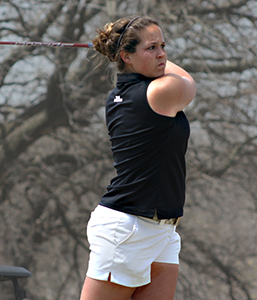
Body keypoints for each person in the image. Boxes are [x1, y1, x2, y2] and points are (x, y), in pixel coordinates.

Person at [80, 16, 196, 300]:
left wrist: (135, 52)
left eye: (164, 46)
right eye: (152, 48)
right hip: (128, 227)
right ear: (125, 56)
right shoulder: (158, 92)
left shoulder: (118, 96)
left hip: (162, 228)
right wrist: (128, 49)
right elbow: (187, 83)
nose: (162, 55)